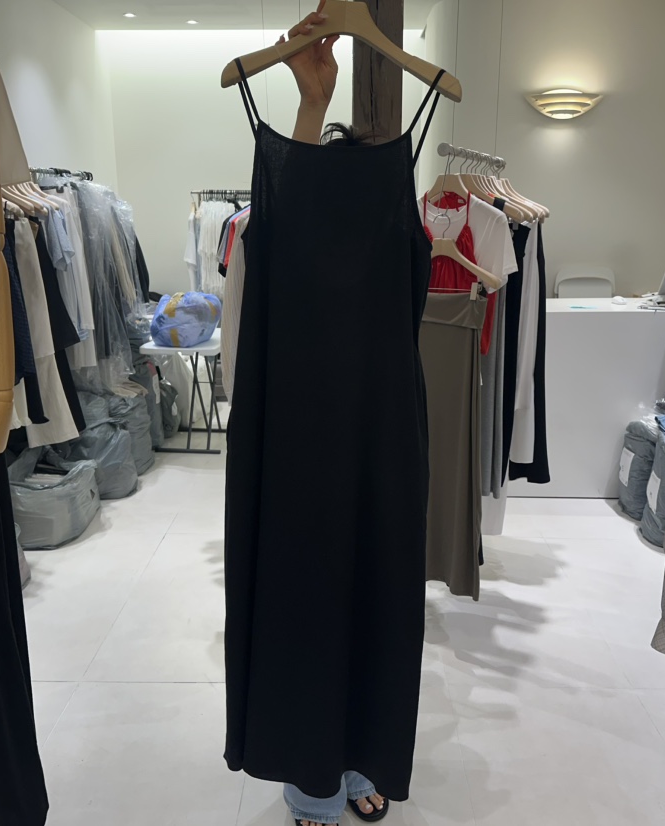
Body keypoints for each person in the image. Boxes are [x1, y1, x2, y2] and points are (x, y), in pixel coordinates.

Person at [272, 11, 389, 826]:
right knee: (310, 607)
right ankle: (312, 777)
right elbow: (286, 219)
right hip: (303, 444)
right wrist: (312, 106)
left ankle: (358, 761)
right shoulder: (282, 236)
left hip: (380, 439)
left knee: (373, 605)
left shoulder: (394, 231)